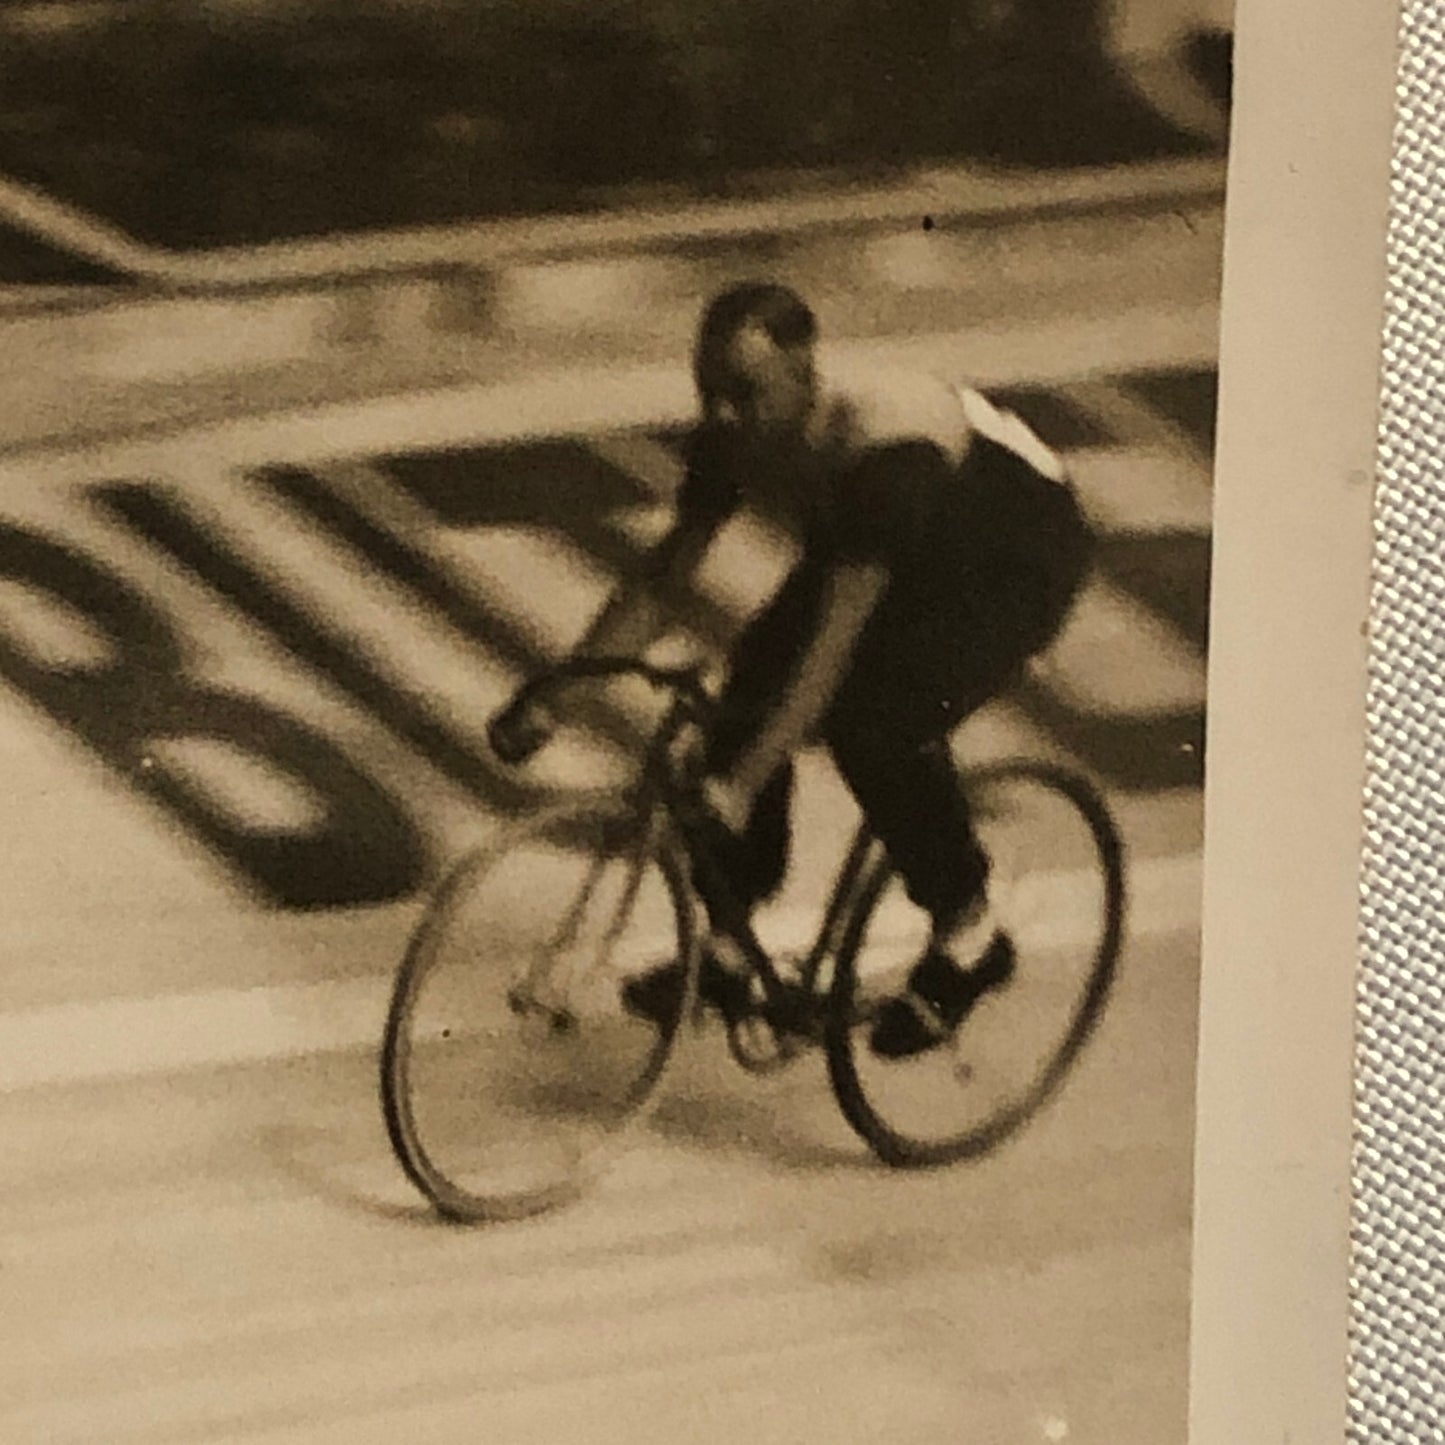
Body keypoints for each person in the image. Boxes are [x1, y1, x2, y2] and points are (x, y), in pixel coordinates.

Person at [494, 281, 1093, 1059]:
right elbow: (663, 576)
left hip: (1009, 553)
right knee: (749, 676)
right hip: (896, 543)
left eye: (743, 392)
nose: (721, 415)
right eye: (708, 391)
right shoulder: (731, 433)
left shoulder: (885, 448)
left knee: (874, 722)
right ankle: (733, 948)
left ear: (805, 372)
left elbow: (834, 644)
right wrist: (558, 693)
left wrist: (741, 786)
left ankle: (970, 935)